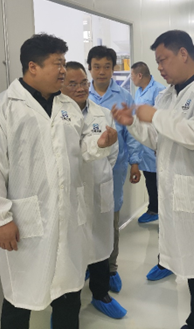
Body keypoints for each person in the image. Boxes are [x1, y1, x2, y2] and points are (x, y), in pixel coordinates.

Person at [0, 34, 117, 329]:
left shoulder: (68, 107)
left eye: (64, 63)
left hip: (69, 217)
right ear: (33, 67)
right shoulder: (2, 108)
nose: (63, 70)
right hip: (26, 222)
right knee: (21, 297)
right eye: (57, 64)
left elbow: (81, 149)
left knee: (69, 294)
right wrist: (1, 219)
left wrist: (99, 143)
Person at [112, 30, 194, 329]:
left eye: (163, 59)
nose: (159, 68)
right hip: (179, 197)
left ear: (183, 54)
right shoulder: (168, 95)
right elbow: (159, 139)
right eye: (157, 62)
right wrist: (133, 124)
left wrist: (154, 115)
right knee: (192, 268)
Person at [60, 61, 127, 319]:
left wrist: (102, 175)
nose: (80, 88)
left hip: (99, 187)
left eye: (83, 83)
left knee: (100, 242)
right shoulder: (56, 116)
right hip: (70, 191)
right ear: (61, 86)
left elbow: (112, 152)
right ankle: (67, 308)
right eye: (72, 84)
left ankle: (100, 294)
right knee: (71, 251)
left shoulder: (102, 112)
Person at [87, 45, 143, 293]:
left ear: (113, 69)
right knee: (86, 219)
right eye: (96, 66)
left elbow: (132, 132)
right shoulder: (80, 94)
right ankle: (90, 265)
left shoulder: (124, 97)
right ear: (90, 68)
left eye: (107, 67)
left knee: (111, 220)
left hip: (114, 169)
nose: (101, 71)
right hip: (86, 170)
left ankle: (110, 268)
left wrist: (135, 162)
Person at [130, 61, 166, 223]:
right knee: (150, 178)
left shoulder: (159, 90)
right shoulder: (139, 91)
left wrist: (159, 144)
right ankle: (154, 208)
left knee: (158, 179)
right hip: (143, 145)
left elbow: (161, 119)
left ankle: (158, 210)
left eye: (132, 75)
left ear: (139, 75)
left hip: (155, 144)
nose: (131, 79)